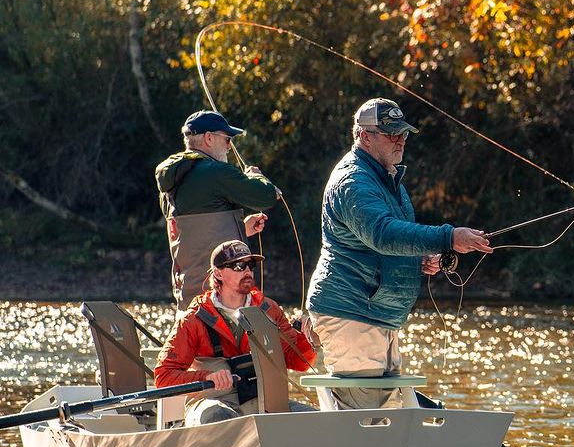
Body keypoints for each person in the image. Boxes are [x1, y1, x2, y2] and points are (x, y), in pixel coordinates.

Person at [305, 98, 491, 409]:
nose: (400, 140)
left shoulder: (388, 178)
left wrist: (419, 260)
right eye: (391, 134)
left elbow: (389, 242)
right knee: (366, 420)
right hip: (352, 312)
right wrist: (447, 238)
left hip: (378, 315)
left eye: (403, 134)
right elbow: (382, 233)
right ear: (365, 136)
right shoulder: (353, 181)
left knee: (386, 415)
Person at [154, 240, 316, 426]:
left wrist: (309, 337)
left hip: (263, 404)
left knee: (316, 420)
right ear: (218, 273)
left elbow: (298, 362)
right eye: (239, 266)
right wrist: (205, 377)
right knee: (218, 417)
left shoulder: (269, 309)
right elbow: (163, 377)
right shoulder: (193, 319)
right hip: (212, 403)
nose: (247, 271)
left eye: (251, 265)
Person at [155, 109, 280, 309]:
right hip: (220, 299)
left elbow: (197, 233)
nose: (230, 147)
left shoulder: (171, 185)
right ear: (209, 138)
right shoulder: (215, 172)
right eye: (227, 139)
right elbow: (265, 196)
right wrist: (256, 176)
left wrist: (241, 228)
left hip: (188, 298)